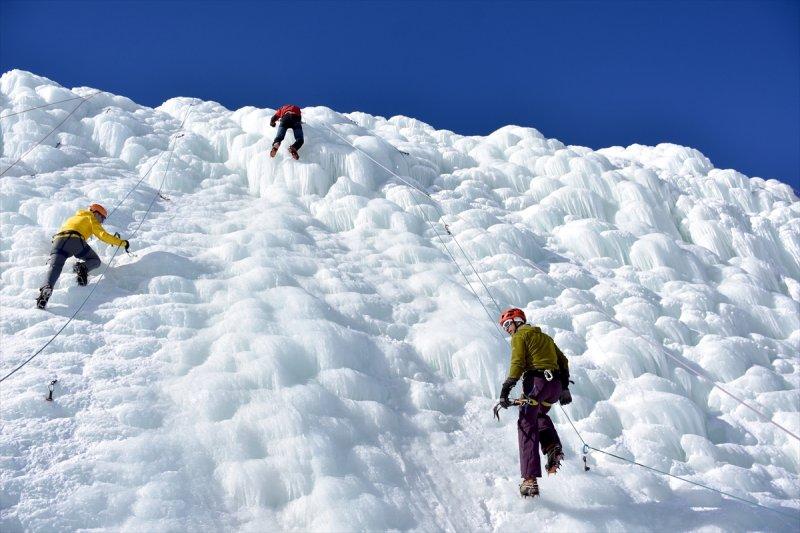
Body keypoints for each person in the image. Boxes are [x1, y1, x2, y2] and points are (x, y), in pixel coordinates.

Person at [496, 307, 572, 498]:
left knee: (525, 424)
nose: (507, 329)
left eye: (508, 324)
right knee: (538, 415)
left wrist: (506, 389)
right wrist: (564, 388)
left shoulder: (519, 336)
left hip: (536, 384)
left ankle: (529, 480)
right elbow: (563, 361)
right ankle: (552, 446)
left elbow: (517, 363)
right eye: (504, 326)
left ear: (518, 322)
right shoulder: (546, 337)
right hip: (554, 387)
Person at [36, 203, 129, 309]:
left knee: (55, 267)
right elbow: (103, 236)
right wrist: (123, 243)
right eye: (101, 218)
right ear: (96, 213)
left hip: (58, 241)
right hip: (75, 240)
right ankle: (82, 267)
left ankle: (46, 288)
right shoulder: (90, 218)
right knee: (95, 260)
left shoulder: (73, 218)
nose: (101, 222)